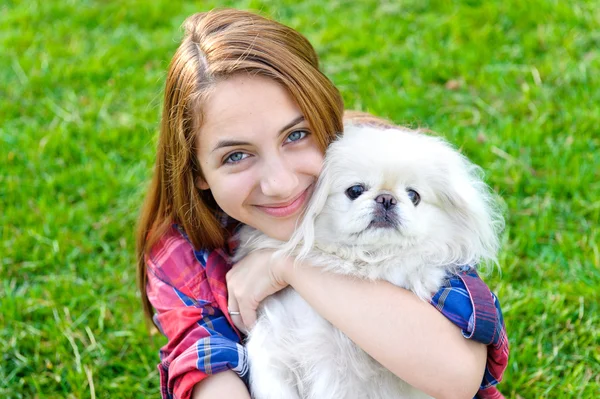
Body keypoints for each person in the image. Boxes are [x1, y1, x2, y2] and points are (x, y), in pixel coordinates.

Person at [136, 8, 508, 399]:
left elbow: (457, 376)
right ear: (195, 170)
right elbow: (207, 366)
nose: (279, 184)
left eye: (295, 135)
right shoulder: (180, 249)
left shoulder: (387, 161)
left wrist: (289, 267)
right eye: (235, 156)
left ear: (327, 122)